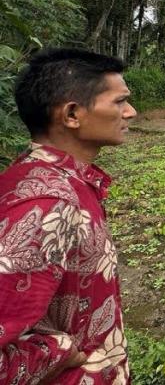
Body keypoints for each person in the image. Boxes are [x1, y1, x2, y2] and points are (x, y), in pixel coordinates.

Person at [0, 48, 135, 384]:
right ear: (72, 114)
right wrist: (59, 351)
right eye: (119, 102)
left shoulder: (60, 181)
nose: (131, 113)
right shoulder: (45, 203)